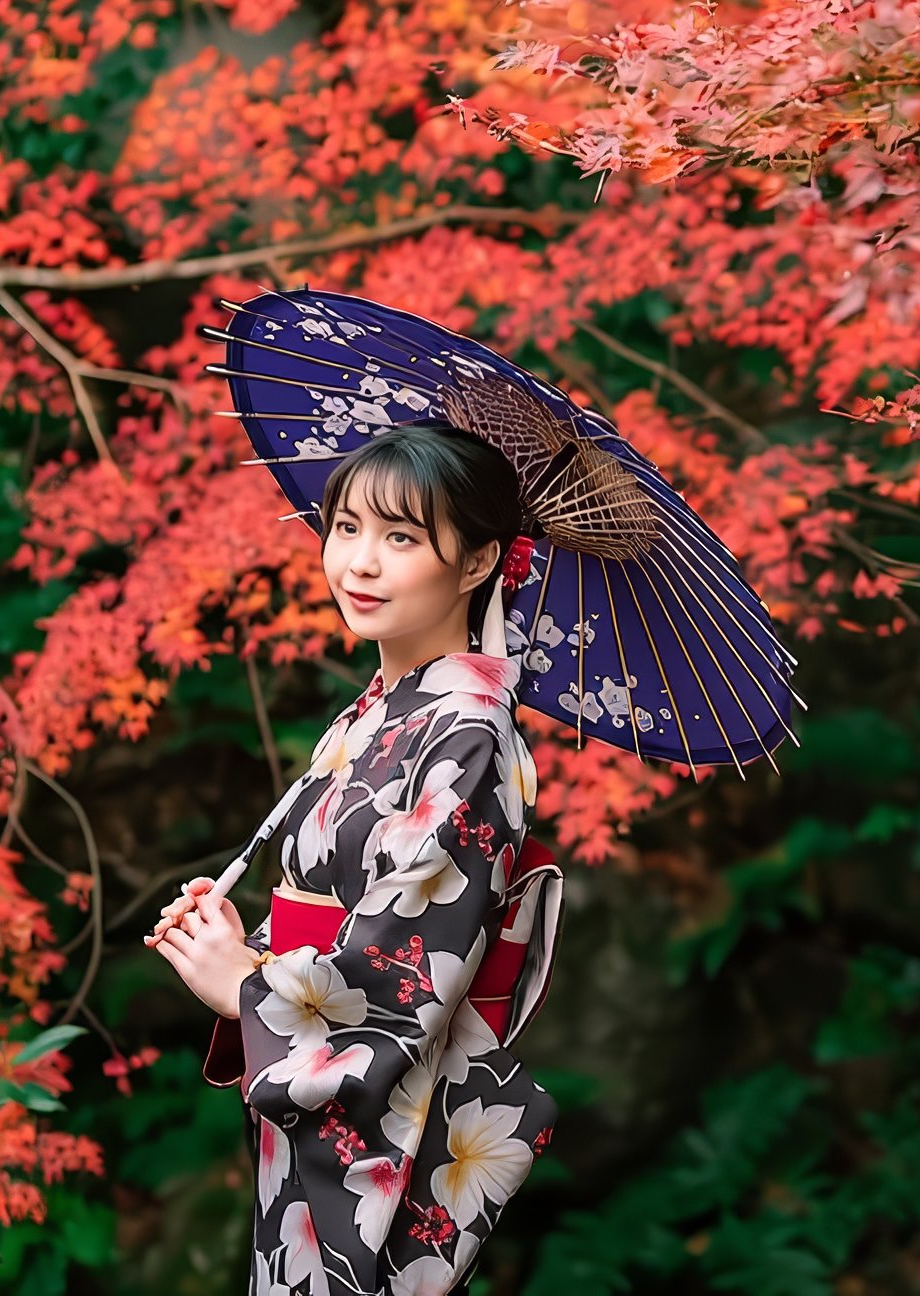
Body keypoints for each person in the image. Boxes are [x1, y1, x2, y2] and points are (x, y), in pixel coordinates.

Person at [144, 420, 563, 1296]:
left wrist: (248, 991)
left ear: (480, 562)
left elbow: (408, 962)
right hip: (310, 1102)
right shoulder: (372, 715)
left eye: (401, 538)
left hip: (385, 1116)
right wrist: (241, 944)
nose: (359, 563)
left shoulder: (469, 736)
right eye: (346, 529)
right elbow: (323, 910)